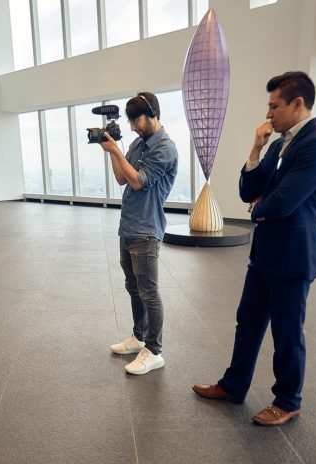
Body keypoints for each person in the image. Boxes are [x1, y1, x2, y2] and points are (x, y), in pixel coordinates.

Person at [192, 71, 316, 425]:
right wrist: (256, 148)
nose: (268, 113)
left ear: (297, 103)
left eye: (274, 106)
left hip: (293, 256)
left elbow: (282, 202)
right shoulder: (276, 144)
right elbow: (248, 191)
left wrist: (258, 208)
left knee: (286, 334)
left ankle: (287, 401)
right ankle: (234, 385)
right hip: (265, 253)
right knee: (248, 322)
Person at [99, 92, 178, 375]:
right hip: (129, 226)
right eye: (130, 122)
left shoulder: (165, 148)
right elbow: (122, 178)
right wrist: (112, 151)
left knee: (149, 292)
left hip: (146, 230)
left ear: (153, 114)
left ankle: (154, 351)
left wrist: (117, 151)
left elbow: (138, 182)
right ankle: (139, 336)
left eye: (136, 121)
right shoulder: (137, 144)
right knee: (133, 287)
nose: (133, 127)